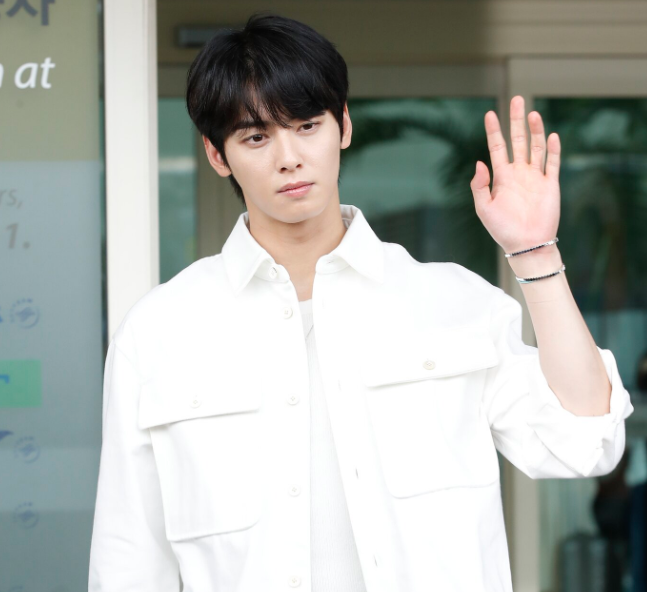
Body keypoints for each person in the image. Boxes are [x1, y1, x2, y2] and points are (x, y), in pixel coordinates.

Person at [88, 11, 634, 592]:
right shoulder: (159, 333)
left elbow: (585, 444)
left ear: (343, 125)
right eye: (256, 137)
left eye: (307, 125)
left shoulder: (451, 302)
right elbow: (129, 563)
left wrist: (535, 252)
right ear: (218, 155)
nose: (289, 157)